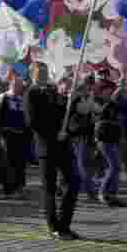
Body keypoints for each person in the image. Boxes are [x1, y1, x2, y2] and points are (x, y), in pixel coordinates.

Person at [25, 62, 80, 240]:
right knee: (49, 189)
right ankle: (54, 227)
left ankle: (64, 224)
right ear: (32, 74)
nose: (43, 75)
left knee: (73, 182)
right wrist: (55, 133)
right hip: (46, 147)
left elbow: (63, 113)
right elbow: (33, 122)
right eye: (40, 72)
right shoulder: (30, 94)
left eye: (45, 72)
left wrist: (70, 100)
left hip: (63, 144)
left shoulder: (52, 90)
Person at [0, 74, 30, 198]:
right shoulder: (3, 97)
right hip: (8, 135)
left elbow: (26, 117)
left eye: (21, 86)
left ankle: (19, 188)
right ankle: (8, 190)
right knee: (8, 162)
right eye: (18, 85)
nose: (20, 88)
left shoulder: (22, 98)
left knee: (20, 163)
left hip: (21, 136)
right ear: (12, 85)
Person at [93, 79, 127, 208]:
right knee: (114, 166)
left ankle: (112, 194)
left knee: (115, 167)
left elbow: (124, 107)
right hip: (103, 138)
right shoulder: (97, 100)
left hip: (112, 137)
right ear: (102, 90)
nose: (110, 91)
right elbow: (100, 113)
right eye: (108, 89)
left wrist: (122, 90)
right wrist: (115, 94)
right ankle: (103, 192)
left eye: (111, 89)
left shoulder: (113, 103)